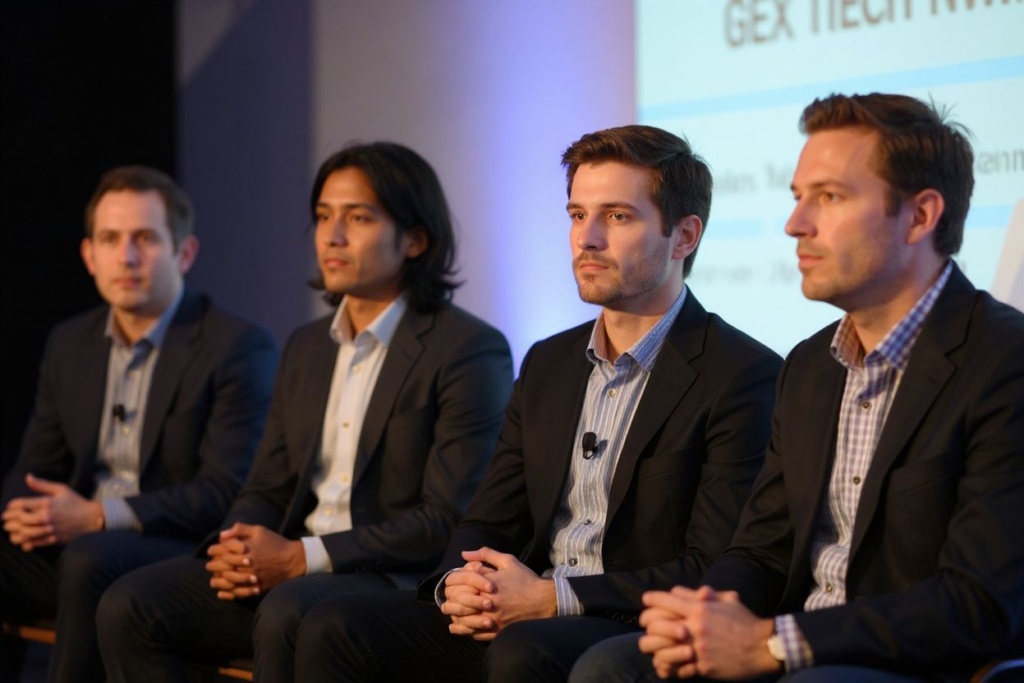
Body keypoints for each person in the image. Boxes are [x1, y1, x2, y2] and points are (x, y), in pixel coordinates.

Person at [282, 124, 783, 683]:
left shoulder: (742, 373)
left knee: (523, 651)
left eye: (617, 216)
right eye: (576, 215)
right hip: (526, 608)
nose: (587, 238)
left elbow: (710, 568)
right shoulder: (549, 361)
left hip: (620, 621)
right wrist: (461, 584)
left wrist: (555, 598)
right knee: (334, 624)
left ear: (684, 236)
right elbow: (489, 517)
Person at [568, 93, 1024, 683]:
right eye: (797, 198)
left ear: (920, 215)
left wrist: (777, 642)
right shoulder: (811, 364)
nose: (795, 224)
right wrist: (700, 616)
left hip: (926, 663)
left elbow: (977, 603)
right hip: (793, 646)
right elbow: (762, 550)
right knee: (612, 665)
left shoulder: (1003, 359)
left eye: (829, 197)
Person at [95, 141, 515, 682]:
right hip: (294, 564)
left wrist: (301, 557)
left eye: (358, 218)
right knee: (129, 603)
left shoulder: (467, 348)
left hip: (387, 576)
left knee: (291, 610)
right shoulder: (306, 346)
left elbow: (443, 520)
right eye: (323, 217)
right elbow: (267, 484)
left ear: (415, 239)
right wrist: (237, 545)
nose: (332, 236)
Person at [0, 165, 279, 683]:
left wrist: (101, 516)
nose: (126, 257)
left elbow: (224, 492)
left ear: (185, 253)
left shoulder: (236, 346)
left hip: (171, 546)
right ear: (89, 255)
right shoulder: (70, 343)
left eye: (145, 239)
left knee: (90, 559)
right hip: (78, 544)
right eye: (110, 239)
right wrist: (25, 511)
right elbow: (31, 467)